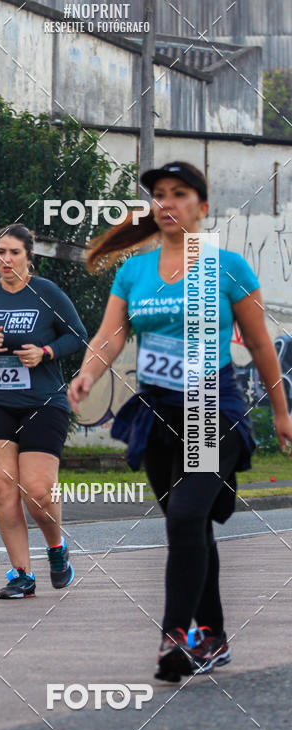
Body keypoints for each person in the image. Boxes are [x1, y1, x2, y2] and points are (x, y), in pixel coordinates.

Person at [68, 162, 292, 680]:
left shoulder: (227, 267)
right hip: (156, 412)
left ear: (202, 207)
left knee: (188, 518)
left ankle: (175, 637)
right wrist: (87, 374)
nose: (167, 203)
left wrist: (281, 411)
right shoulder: (135, 272)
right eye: (159, 195)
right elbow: (111, 336)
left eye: (180, 193)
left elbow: (261, 345)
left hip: (209, 407)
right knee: (189, 525)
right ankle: (211, 635)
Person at [0, 224, 87, 598]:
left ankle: (57, 548)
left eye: (14, 252)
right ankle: (21, 575)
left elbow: (77, 336)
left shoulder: (47, 293)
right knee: (2, 489)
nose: (6, 259)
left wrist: (45, 353)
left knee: (37, 492)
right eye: (0, 252)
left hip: (43, 403)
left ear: (29, 256)